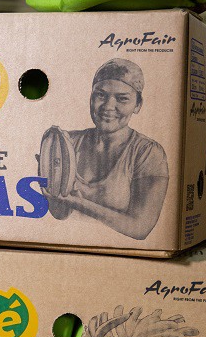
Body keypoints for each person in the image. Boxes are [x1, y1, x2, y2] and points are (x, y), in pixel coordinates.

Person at [43, 59, 169, 240]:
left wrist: (76, 202)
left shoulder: (148, 153)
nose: (108, 107)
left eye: (122, 98)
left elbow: (140, 228)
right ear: (91, 98)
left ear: (137, 105)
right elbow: (59, 216)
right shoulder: (66, 142)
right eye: (100, 95)